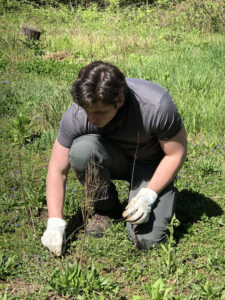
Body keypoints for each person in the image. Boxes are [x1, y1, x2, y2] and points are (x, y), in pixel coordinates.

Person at [41, 61, 187, 256]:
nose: (91, 119)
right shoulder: (78, 114)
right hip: (114, 158)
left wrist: (149, 194)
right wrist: (55, 222)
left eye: (99, 112)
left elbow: (176, 153)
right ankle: (106, 209)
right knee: (82, 150)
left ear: (119, 101)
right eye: (87, 111)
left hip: (152, 166)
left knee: (146, 240)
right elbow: (57, 170)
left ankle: (157, 193)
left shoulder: (156, 106)